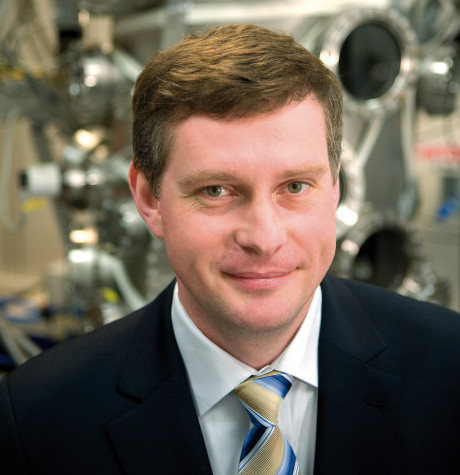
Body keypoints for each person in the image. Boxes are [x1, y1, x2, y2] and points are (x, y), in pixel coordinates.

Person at [0, 23, 459, 475]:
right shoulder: (37, 419)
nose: (264, 237)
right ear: (148, 198)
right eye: (216, 190)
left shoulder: (448, 368)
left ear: (335, 189)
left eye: (295, 186)